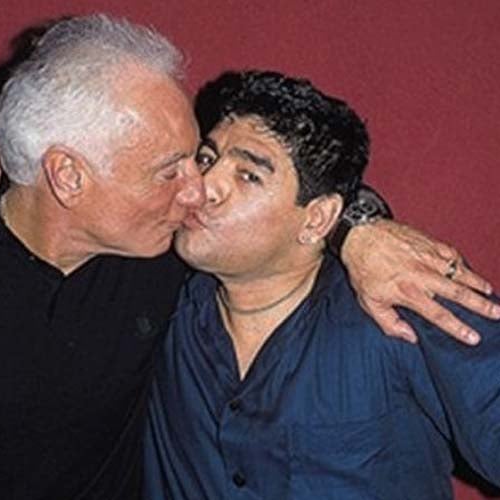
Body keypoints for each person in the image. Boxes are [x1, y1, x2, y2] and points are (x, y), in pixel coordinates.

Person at [0, 14, 496, 500]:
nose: (197, 190)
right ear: (68, 175)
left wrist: (362, 227)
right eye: (179, 167)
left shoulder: (176, 263)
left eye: (206, 162)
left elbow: (293, 222)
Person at [143, 70, 500, 499]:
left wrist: (359, 228)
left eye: (248, 175)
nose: (205, 187)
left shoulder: (398, 304)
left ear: (317, 218)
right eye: (207, 158)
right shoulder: (154, 301)